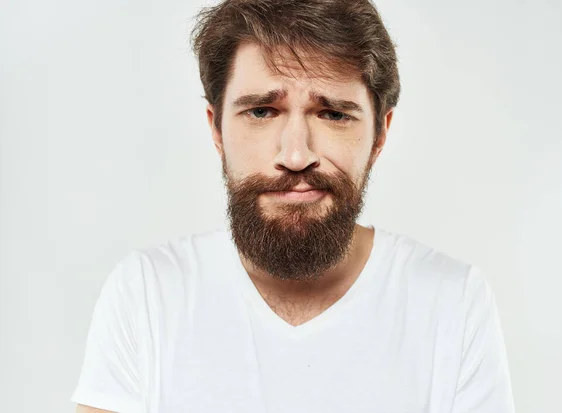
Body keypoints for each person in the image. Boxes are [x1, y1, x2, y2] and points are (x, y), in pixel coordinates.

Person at [71, 0, 515, 412]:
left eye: (334, 114)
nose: (297, 155)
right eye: (263, 111)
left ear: (380, 134)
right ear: (217, 129)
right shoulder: (148, 294)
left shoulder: (452, 302)